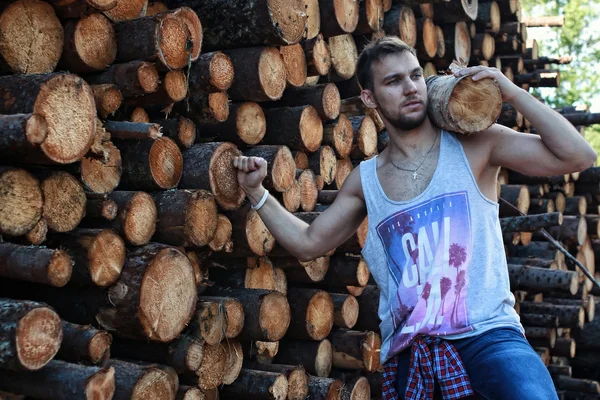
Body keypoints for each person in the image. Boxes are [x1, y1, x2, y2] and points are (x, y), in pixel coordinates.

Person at [232, 36, 597, 399]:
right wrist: (256, 193)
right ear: (370, 99)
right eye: (393, 81)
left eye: (415, 76)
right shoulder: (367, 180)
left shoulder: (477, 145)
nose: (410, 88)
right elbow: (308, 244)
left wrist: (511, 92)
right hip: (412, 353)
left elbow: (578, 156)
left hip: (489, 337)